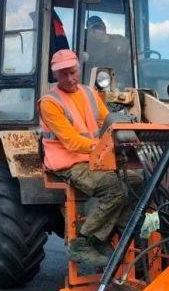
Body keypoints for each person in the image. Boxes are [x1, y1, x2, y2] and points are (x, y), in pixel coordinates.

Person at [39, 49, 138, 270]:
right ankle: (82, 243)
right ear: (55, 75)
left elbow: (109, 123)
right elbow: (72, 142)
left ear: (79, 69)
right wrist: (102, 146)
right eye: (63, 74)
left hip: (95, 158)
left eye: (72, 72)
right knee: (113, 188)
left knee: (138, 182)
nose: (69, 78)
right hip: (68, 163)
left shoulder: (89, 93)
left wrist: (129, 138)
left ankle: (111, 237)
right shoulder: (49, 102)